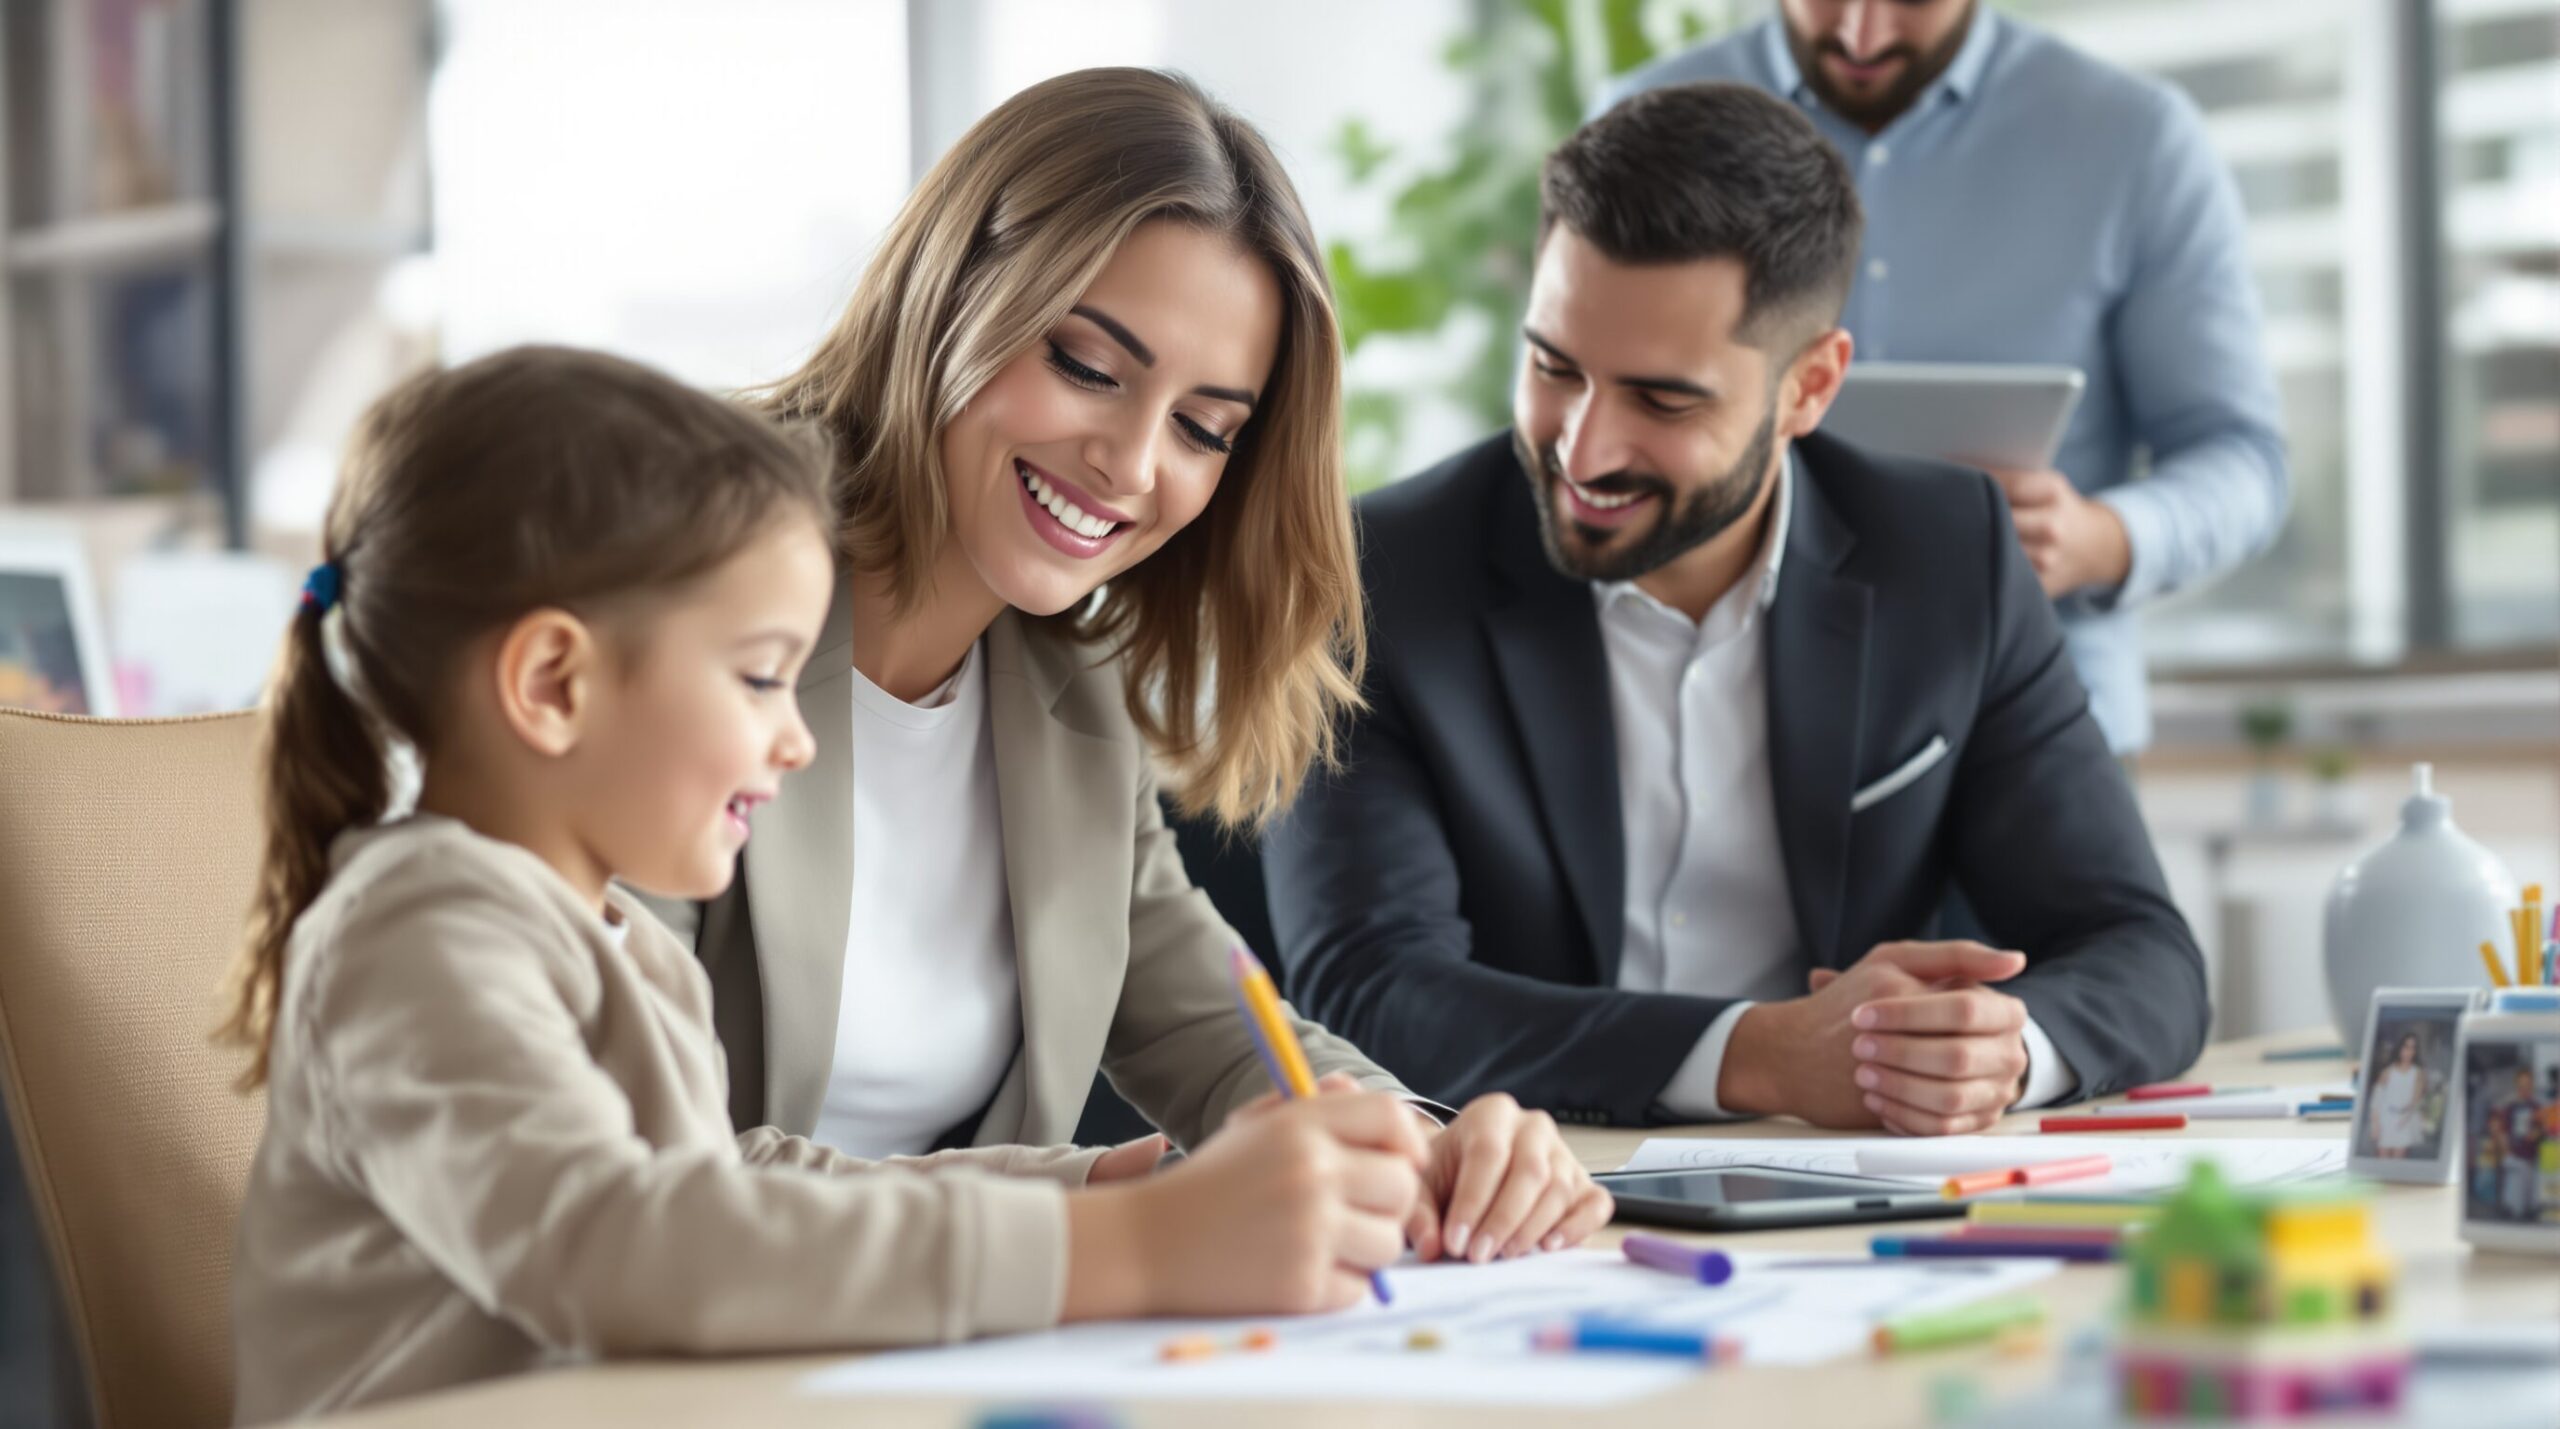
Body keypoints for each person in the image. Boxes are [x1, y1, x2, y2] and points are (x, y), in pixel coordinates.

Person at [218, 347, 1452, 1422]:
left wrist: (1098, 1183)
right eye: (762, 676)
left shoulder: (611, 942)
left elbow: (730, 1189)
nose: (798, 737)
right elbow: (622, 1247)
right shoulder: (422, 936)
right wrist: (1124, 1248)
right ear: (553, 684)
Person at [644, 69, 1604, 1267]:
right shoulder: (673, 578)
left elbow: (1216, 1026)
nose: (1133, 464)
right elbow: (629, 1167)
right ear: (953, 291)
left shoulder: (1063, 679)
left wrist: (1419, 1148)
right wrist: (1109, 1202)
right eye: (1089, 367)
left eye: (1204, 428)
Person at [1262, 83, 2207, 1135]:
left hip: (1853, 1183)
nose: (1583, 448)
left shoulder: (1947, 556)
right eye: (1553, 366)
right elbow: (1367, 987)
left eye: (1662, 399)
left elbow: (2144, 953)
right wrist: (1762, 1055)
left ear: (1809, 387)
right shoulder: (1374, 576)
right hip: (1524, 1171)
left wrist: (1998, 1051)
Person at [1599, 0, 2286, 756]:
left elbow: (2242, 459)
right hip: (1711, 732)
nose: (1862, 35)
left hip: (2035, 742)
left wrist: (2098, 540)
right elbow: (1574, 429)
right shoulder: (1641, 127)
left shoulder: (2136, 140)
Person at [2367, 1031, 2427, 1160]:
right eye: (2406, 1047)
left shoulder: (2417, 1073)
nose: (2408, 1052)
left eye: (2412, 1048)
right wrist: (2376, 1124)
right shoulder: (2388, 1071)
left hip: (2404, 1121)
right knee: (2383, 1160)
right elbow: (2376, 1100)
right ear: (2400, 1048)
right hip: (2385, 1119)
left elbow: (2416, 1101)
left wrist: (2406, 1118)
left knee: (2398, 1161)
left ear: (2415, 1051)